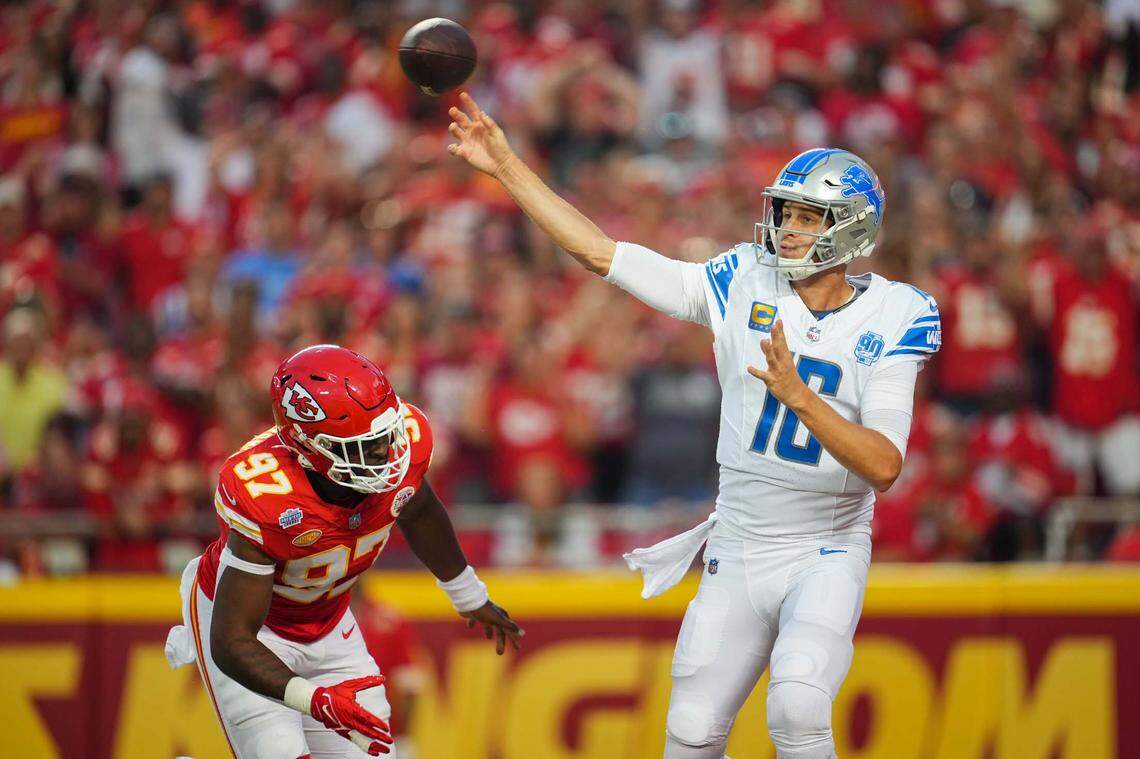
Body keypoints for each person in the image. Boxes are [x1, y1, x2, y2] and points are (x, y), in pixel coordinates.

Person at [446, 93, 938, 758]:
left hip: (825, 546)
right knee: (691, 730)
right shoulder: (741, 278)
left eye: (807, 215)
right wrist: (507, 168)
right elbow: (603, 254)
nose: (788, 228)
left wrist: (799, 396)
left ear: (850, 228)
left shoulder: (894, 313)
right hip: (736, 542)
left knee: (797, 705)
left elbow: (883, 464)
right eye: (785, 211)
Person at [165, 344, 523, 758]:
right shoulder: (267, 494)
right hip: (254, 632)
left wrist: (467, 595)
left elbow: (418, 509)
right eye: (366, 447)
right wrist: (313, 699)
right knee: (280, 751)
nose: (388, 454)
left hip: (327, 623)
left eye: (386, 436)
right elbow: (231, 642)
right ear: (311, 447)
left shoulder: (399, 451)